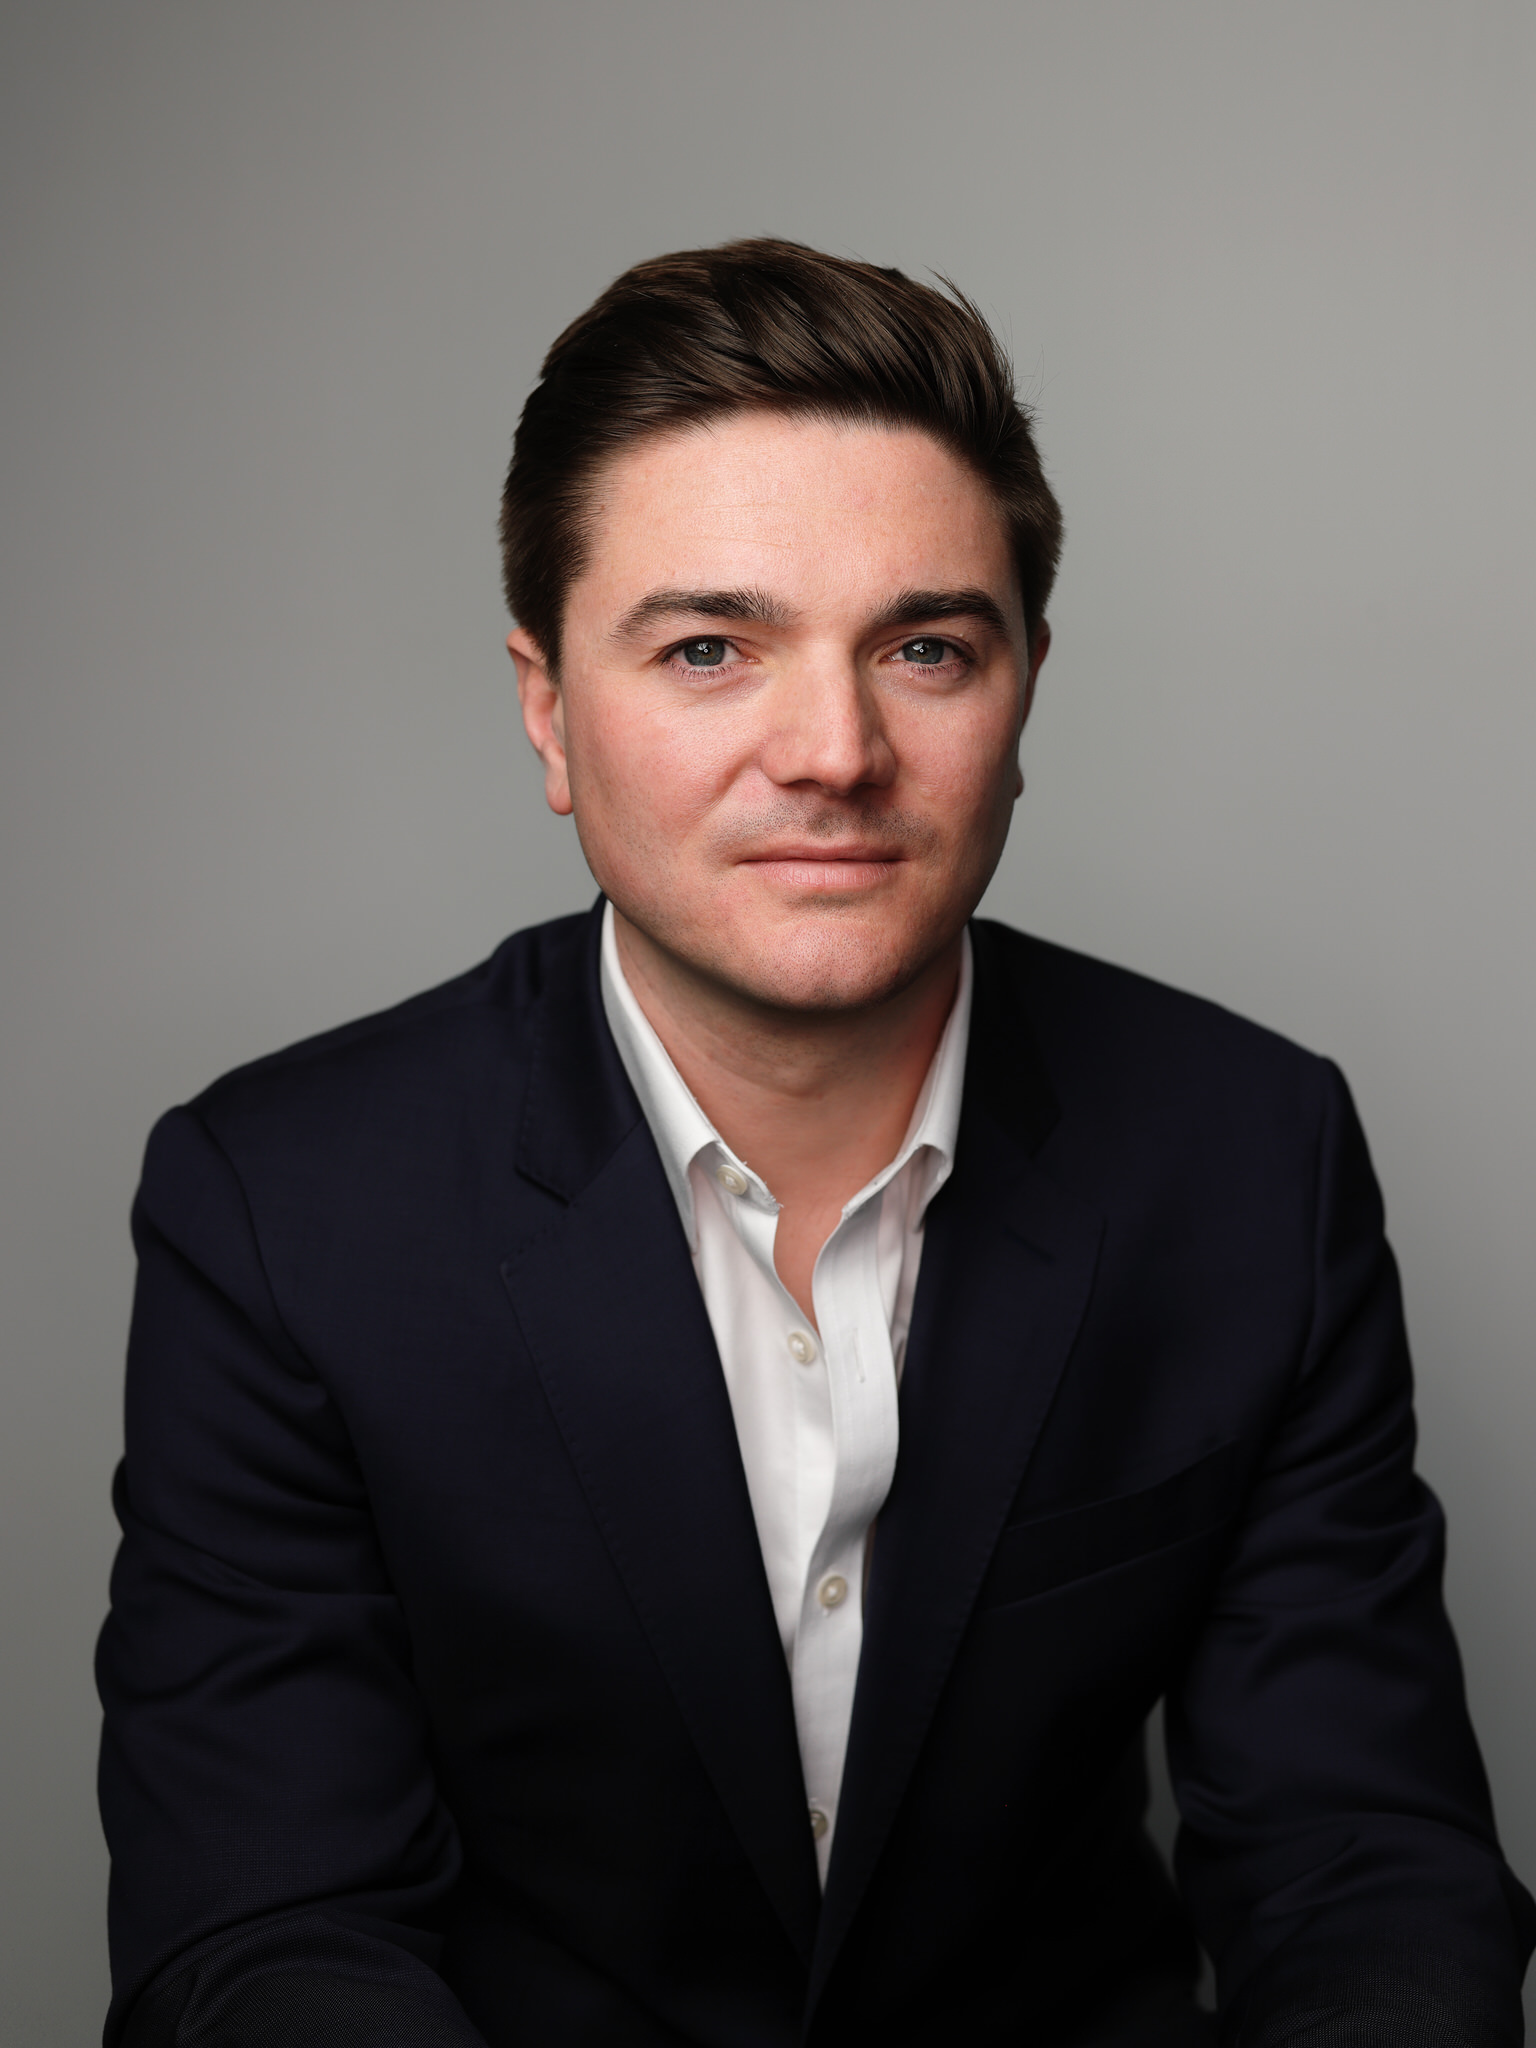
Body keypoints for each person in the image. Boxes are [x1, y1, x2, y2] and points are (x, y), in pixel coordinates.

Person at [97, 239, 1532, 2048]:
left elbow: (1363, 1869)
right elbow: (269, 1927)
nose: (835, 752)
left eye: (925, 648)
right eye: (711, 649)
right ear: (549, 710)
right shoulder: (283, 1204)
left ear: (1023, 692)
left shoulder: (1251, 1152)